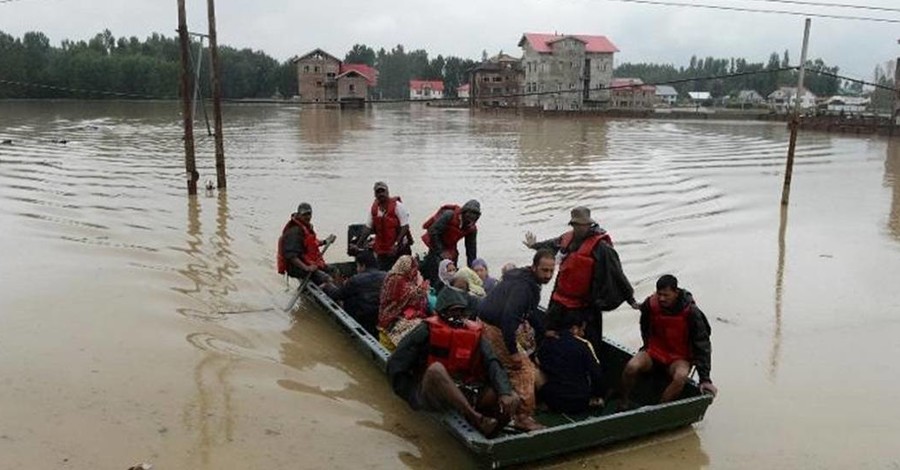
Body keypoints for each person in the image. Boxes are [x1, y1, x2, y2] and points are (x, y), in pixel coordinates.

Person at [386, 287, 520, 437]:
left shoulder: (473, 333)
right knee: (436, 369)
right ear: (442, 312)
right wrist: (410, 395)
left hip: (465, 388)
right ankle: (475, 417)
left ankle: (493, 431)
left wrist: (504, 392)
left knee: (512, 397)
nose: (457, 316)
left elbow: (493, 362)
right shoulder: (425, 330)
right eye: (452, 312)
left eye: (461, 312)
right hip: (432, 391)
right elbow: (396, 363)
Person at [524, 206, 637, 356]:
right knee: (547, 335)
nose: (581, 228)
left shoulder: (601, 247)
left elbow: (617, 273)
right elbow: (550, 246)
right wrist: (534, 246)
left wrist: (631, 299)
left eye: (584, 225)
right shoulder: (566, 239)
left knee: (588, 346)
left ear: (590, 225)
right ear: (573, 225)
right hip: (560, 299)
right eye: (577, 225)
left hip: (585, 306)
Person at [476, 249, 556, 431]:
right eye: (544, 270)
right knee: (524, 370)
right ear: (534, 267)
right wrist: (513, 353)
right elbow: (508, 319)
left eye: (552, 271)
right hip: (494, 328)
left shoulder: (524, 278)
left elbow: (530, 311)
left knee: (521, 363)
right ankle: (523, 416)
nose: (548, 275)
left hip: (487, 322)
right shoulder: (524, 289)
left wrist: (543, 331)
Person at [619, 275, 717, 407]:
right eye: (659, 294)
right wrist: (646, 346)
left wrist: (705, 379)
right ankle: (623, 401)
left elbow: (702, 345)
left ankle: (658, 409)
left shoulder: (692, 313)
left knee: (681, 376)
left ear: (676, 292)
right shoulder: (650, 304)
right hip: (654, 352)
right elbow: (644, 326)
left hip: (679, 358)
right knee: (632, 366)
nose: (661, 299)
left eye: (666, 295)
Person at [536, 314, 606, 414]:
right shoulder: (584, 345)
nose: (582, 334)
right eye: (582, 330)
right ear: (574, 329)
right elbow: (596, 374)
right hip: (580, 402)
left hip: (552, 399)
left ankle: (540, 402)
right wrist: (598, 395)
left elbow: (540, 363)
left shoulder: (548, 341)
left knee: (536, 369)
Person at [421, 200, 481, 285]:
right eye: (470, 214)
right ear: (464, 212)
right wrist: (441, 251)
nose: (471, 217)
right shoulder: (449, 215)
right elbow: (433, 231)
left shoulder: (472, 228)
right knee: (435, 265)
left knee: (452, 269)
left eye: (475, 215)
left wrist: (472, 270)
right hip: (436, 242)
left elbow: (471, 250)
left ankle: (449, 287)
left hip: (451, 246)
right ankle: (431, 285)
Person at [277, 202, 337, 289]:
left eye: (309, 214)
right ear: (298, 215)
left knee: (333, 270)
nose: (308, 217)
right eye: (305, 214)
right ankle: (324, 293)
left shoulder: (306, 227)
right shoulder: (294, 232)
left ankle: (326, 289)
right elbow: (291, 256)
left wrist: (325, 241)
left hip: (307, 262)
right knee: (327, 279)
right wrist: (307, 268)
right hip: (296, 267)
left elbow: (312, 243)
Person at [355, 181, 412, 271]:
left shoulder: (398, 206)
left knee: (401, 273)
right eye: (378, 192)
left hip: (400, 247)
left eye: (383, 191)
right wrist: (358, 244)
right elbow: (368, 228)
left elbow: (405, 226)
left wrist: (396, 244)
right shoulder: (374, 209)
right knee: (383, 272)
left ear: (387, 192)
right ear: (375, 194)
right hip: (383, 248)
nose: (381, 194)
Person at [377, 255, 431, 350]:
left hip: (389, 316)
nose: (415, 272)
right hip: (392, 318)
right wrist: (420, 288)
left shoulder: (392, 276)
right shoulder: (397, 280)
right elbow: (407, 296)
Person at [330, 250, 386, 337]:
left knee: (348, 298)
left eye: (357, 266)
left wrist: (328, 286)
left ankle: (347, 328)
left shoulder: (356, 279)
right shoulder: (386, 276)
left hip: (362, 318)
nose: (357, 269)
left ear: (363, 265)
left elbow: (337, 295)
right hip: (380, 316)